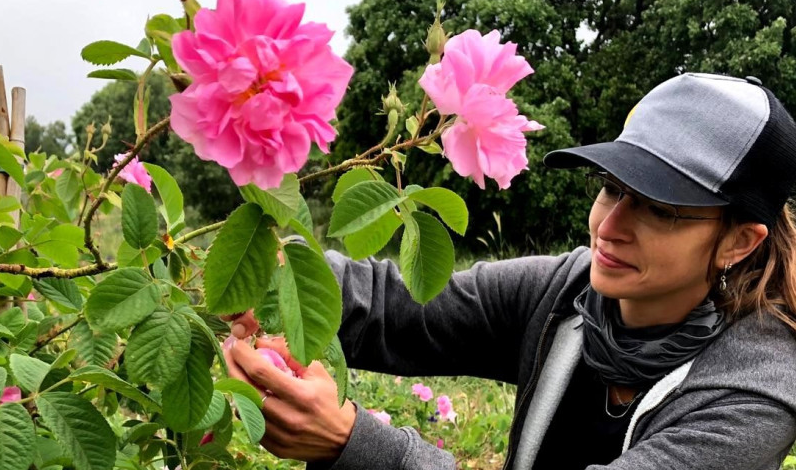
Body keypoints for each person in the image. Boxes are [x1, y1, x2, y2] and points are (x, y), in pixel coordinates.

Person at [223, 73, 796, 469]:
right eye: (611, 188)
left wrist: (354, 443)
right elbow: (394, 306)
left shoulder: (751, 394)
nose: (610, 225)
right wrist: (265, 272)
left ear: (738, 242)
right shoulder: (569, 292)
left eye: (659, 209)